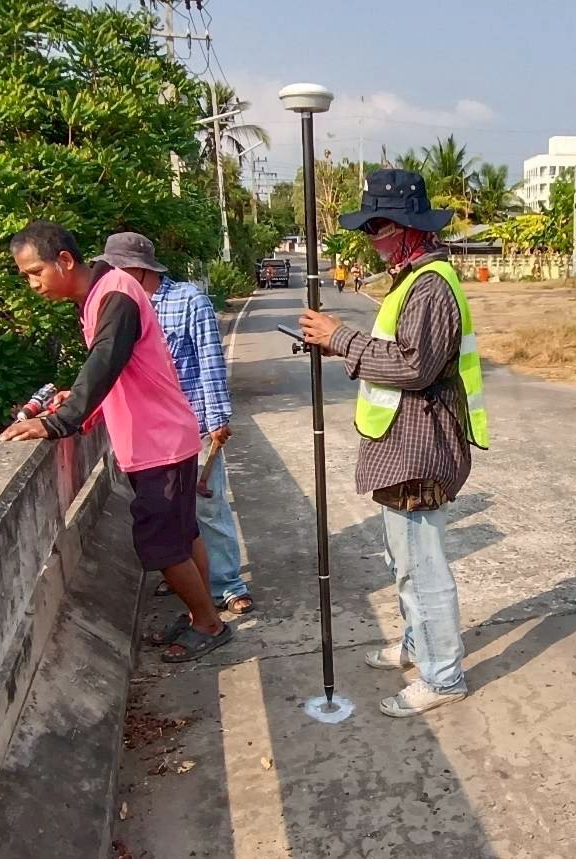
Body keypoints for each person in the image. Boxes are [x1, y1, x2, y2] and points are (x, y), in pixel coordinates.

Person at [297, 169, 490, 717]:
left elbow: (415, 366)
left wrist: (341, 338)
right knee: (402, 560)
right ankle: (415, 643)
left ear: (409, 228)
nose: (372, 239)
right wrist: (341, 344)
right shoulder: (410, 281)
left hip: (421, 449)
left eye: (378, 228)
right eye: (369, 229)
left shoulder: (430, 286)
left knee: (422, 569)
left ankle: (443, 675)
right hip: (400, 444)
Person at [0, 220, 231, 663]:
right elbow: (117, 372)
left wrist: (59, 422)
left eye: (35, 273)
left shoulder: (115, 293)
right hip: (162, 437)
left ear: (64, 260)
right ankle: (200, 613)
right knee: (183, 535)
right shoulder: (99, 297)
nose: (32, 284)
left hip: (158, 442)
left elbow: (105, 362)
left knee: (162, 544)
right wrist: (79, 404)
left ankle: (208, 624)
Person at [101, 231, 253, 615]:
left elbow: (210, 361)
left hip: (194, 427)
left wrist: (218, 419)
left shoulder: (188, 301)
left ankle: (227, 584)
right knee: (176, 516)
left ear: (137, 270)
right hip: (150, 438)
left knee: (209, 510)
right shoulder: (122, 309)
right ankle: (190, 580)